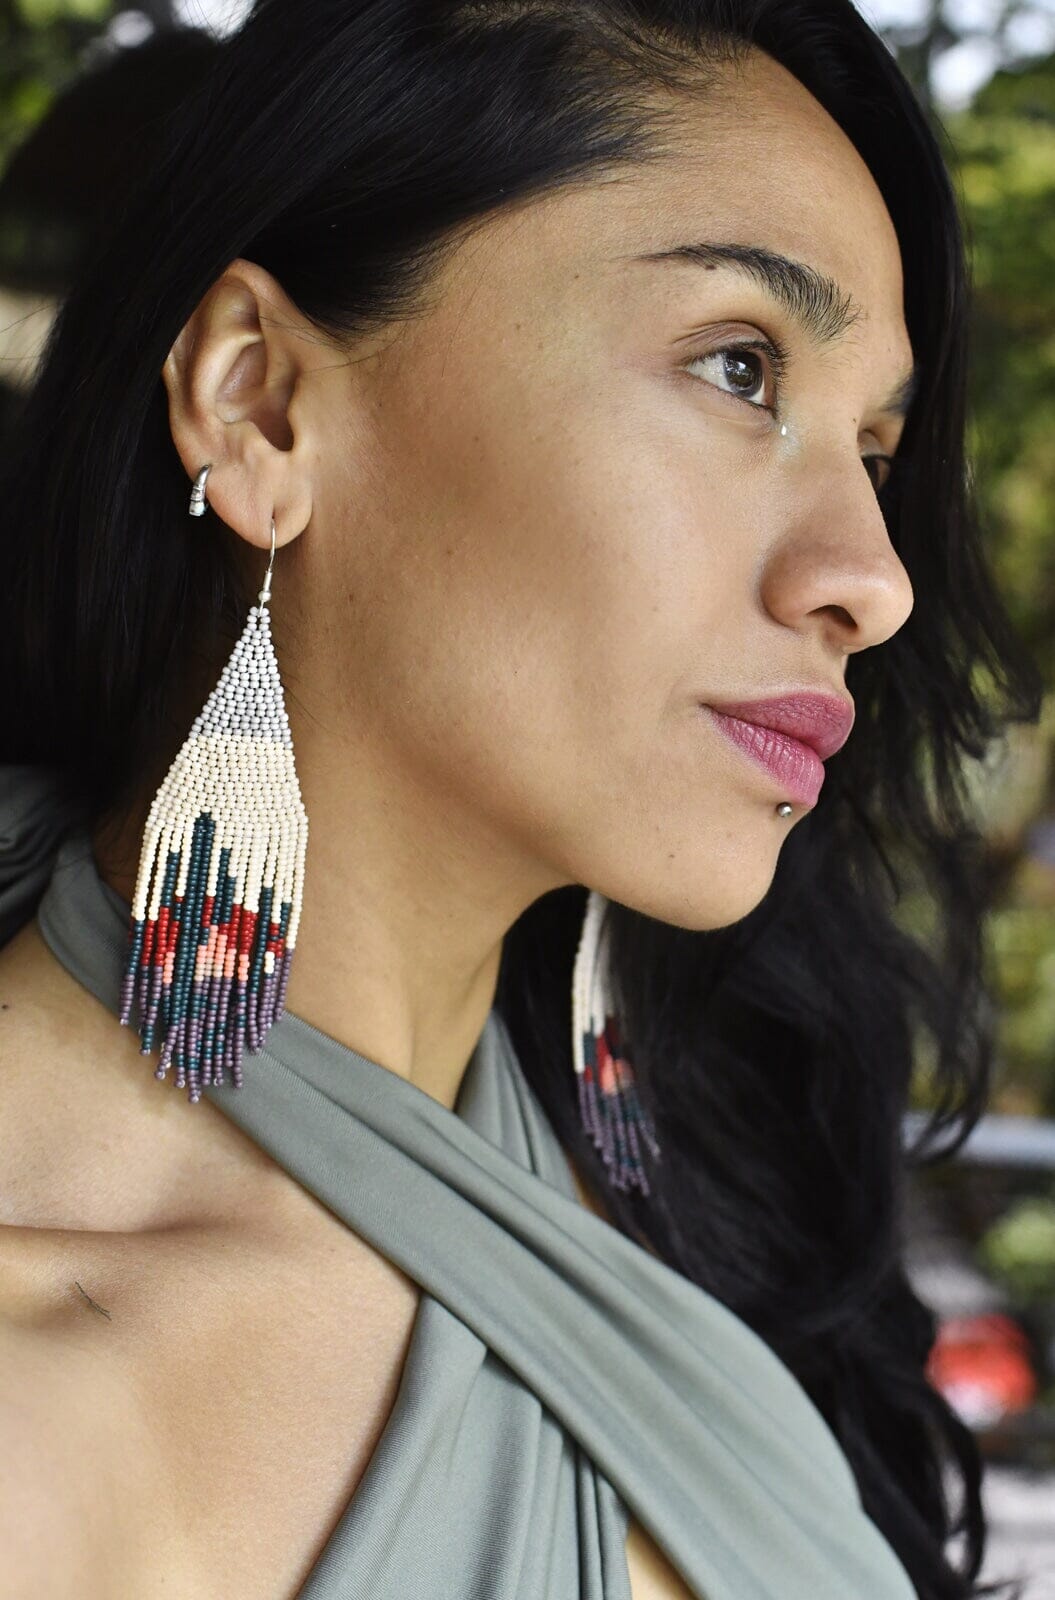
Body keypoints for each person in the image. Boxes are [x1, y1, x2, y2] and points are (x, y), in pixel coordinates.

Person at [0, 0, 1043, 1596]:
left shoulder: (701, 1204)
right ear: (261, 402)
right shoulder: (42, 1411)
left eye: (877, 451)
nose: (873, 581)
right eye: (741, 367)